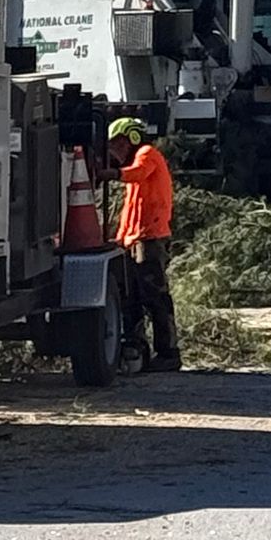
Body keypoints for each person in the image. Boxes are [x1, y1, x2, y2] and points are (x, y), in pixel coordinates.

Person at [107, 118, 182, 372]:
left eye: (117, 143)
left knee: (156, 298)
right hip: (135, 241)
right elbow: (131, 213)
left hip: (149, 240)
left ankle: (169, 353)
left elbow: (137, 173)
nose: (114, 150)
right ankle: (138, 350)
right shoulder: (135, 169)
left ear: (132, 138)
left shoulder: (147, 155)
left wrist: (113, 174)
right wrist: (119, 239)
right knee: (133, 299)